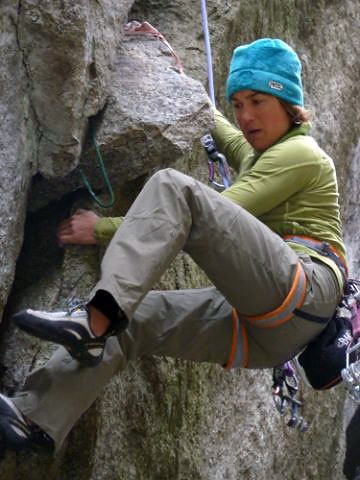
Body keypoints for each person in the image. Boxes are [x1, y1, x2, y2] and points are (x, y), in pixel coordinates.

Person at [0, 38, 347, 454]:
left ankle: (97, 317)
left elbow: (211, 210)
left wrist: (103, 228)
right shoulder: (260, 154)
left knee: (174, 188)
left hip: (306, 287)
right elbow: (216, 125)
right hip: (271, 331)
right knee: (137, 318)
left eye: (257, 101)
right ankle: (36, 419)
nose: (246, 115)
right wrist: (175, 73)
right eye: (238, 104)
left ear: (289, 104)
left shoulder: (302, 153)